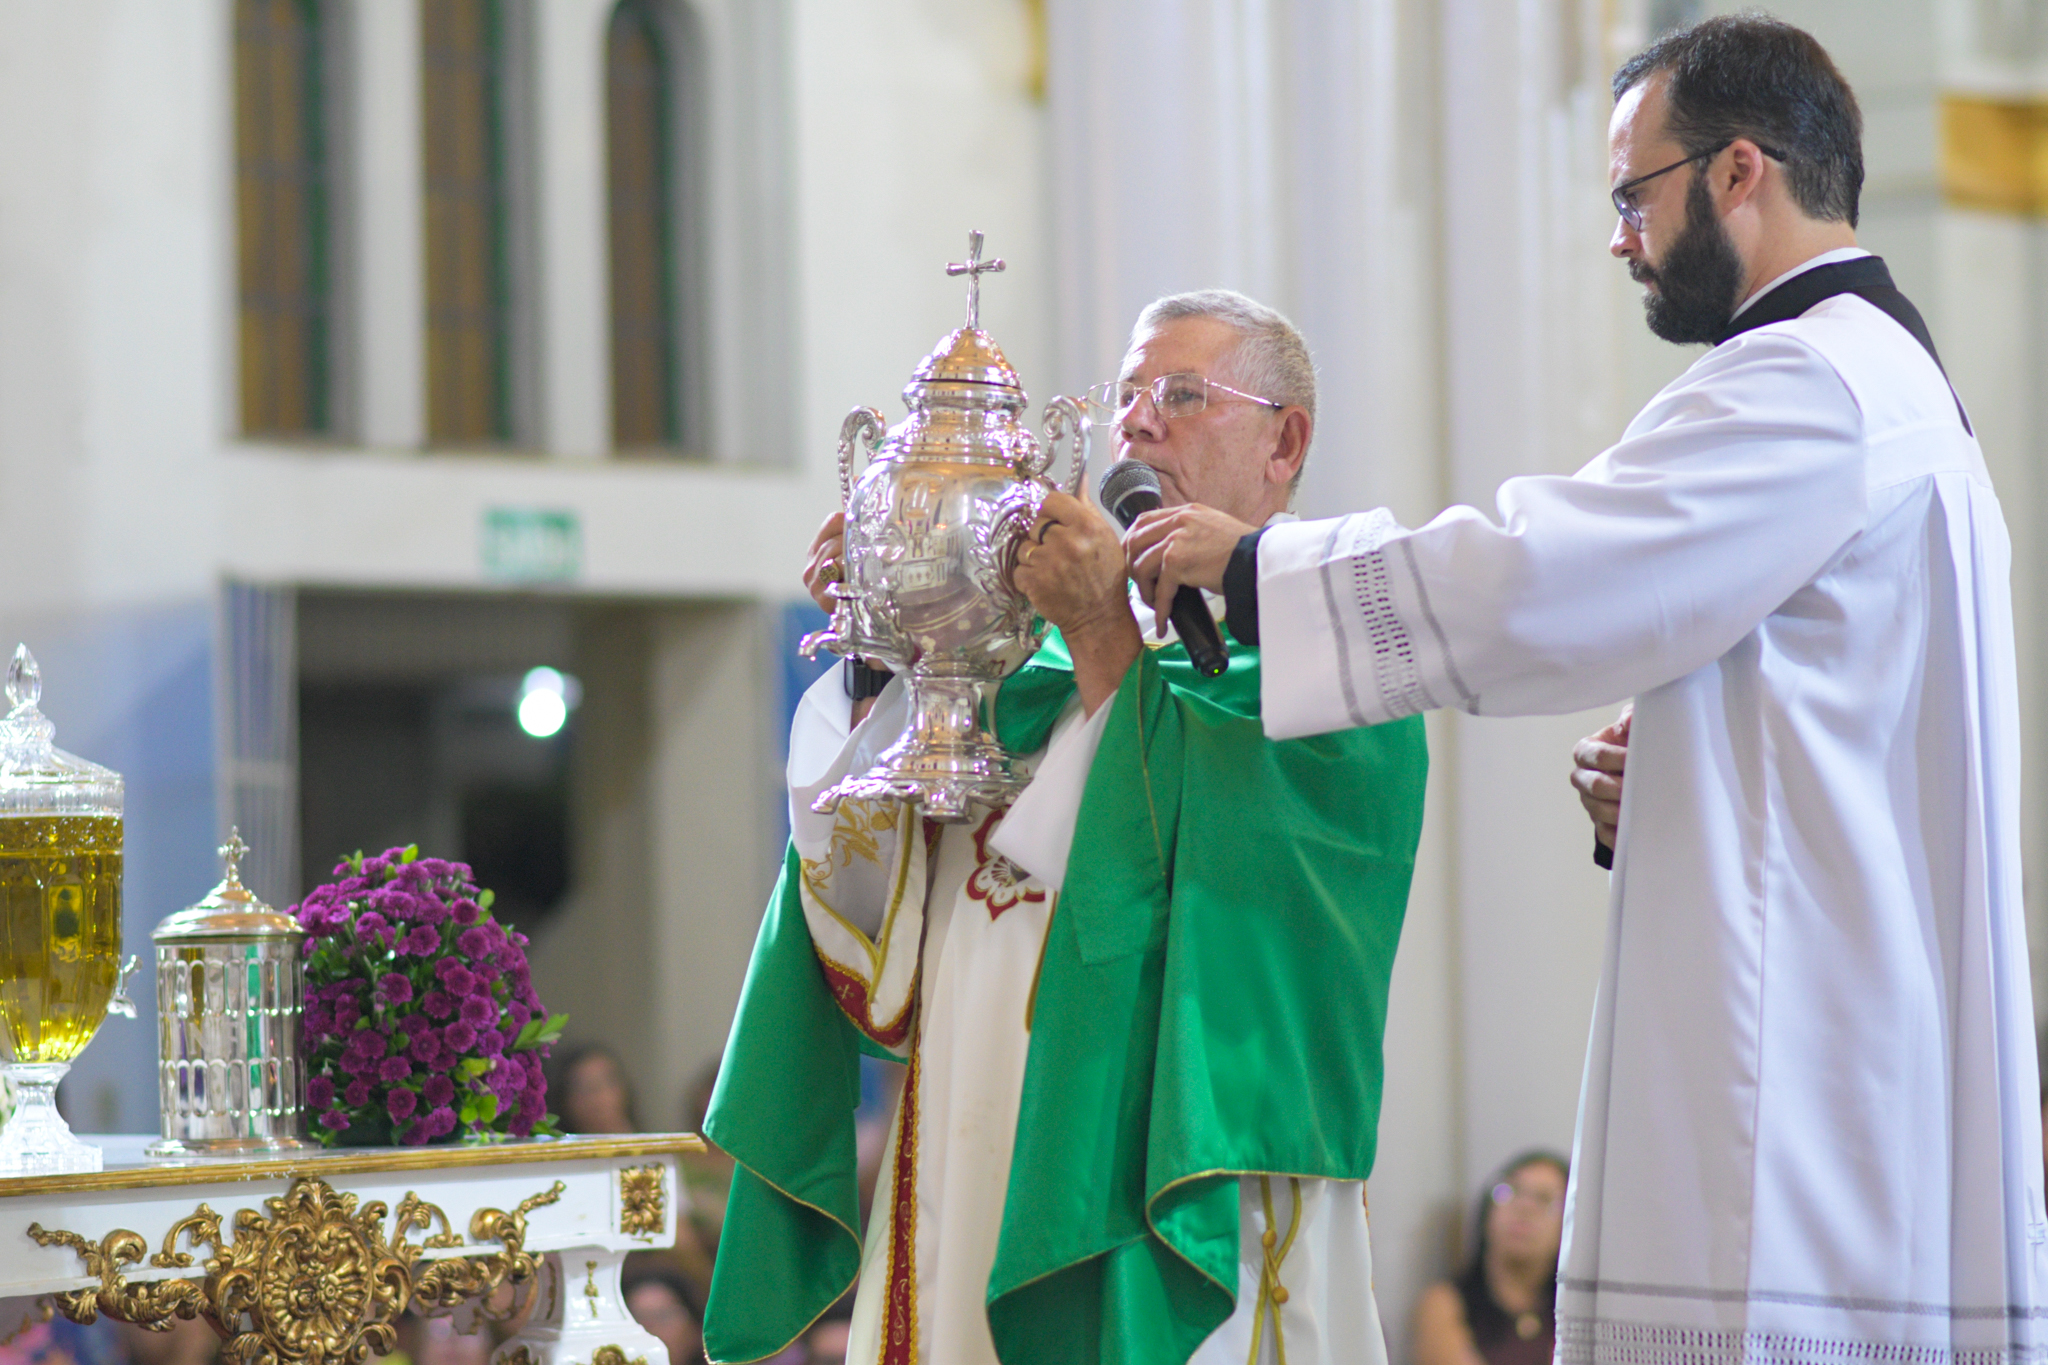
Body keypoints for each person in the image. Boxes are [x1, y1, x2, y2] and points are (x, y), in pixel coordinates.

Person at [1129, 15, 2046, 1363]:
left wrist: (1263, 567)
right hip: (1852, 1010)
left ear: (1737, 171)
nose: (1621, 239)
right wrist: (1675, 773)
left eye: (1633, 195)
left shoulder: (1808, 379)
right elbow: (1829, 726)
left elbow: (1542, 572)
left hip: (1797, 1087)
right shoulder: (1893, 383)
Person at [701, 291, 1428, 1365]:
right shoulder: (1027, 662)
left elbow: (1218, 882)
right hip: (974, 1138)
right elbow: (873, 918)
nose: (1138, 421)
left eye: (1182, 394)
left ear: (1284, 442)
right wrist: (883, 655)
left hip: (1172, 1172)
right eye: (1127, 395)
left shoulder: (1336, 651)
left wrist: (1096, 627)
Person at [1414, 1154, 1567, 1365]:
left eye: (1544, 1199)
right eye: (1511, 1191)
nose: (1525, 1207)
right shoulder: (1446, 1304)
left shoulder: (1576, 1314)